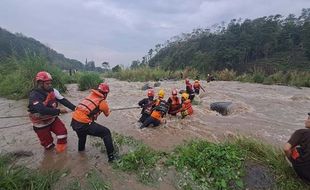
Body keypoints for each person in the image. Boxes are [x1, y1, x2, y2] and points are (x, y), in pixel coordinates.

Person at [28, 71, 76, 153]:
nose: (50, 85)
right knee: (48, 145)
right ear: (40, 83)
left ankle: (62, 154)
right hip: (40, 123)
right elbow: (42, 110)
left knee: (62, 133)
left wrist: (75, 108)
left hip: (52, 119)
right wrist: (59, 111)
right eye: (47, 84)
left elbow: (63, 100)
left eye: (50, 83)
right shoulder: (34, 95)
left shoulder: (53, 91)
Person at [71, 83, 116, 162]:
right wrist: (109, 110)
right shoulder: (102, 102)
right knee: (106, 132)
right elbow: (107, 114)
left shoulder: (90, 95)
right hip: (83, 123)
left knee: (82, 136)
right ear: (105, 93)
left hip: (74, 121)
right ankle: (112, 157)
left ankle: (81, 153)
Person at [284, 113, 310, 182]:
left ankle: (294, 167)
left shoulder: (301, 132)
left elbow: (286, 148)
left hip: (303, 173)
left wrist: (290, 159)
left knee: (293, 148)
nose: (306, 120)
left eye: (309, 118)